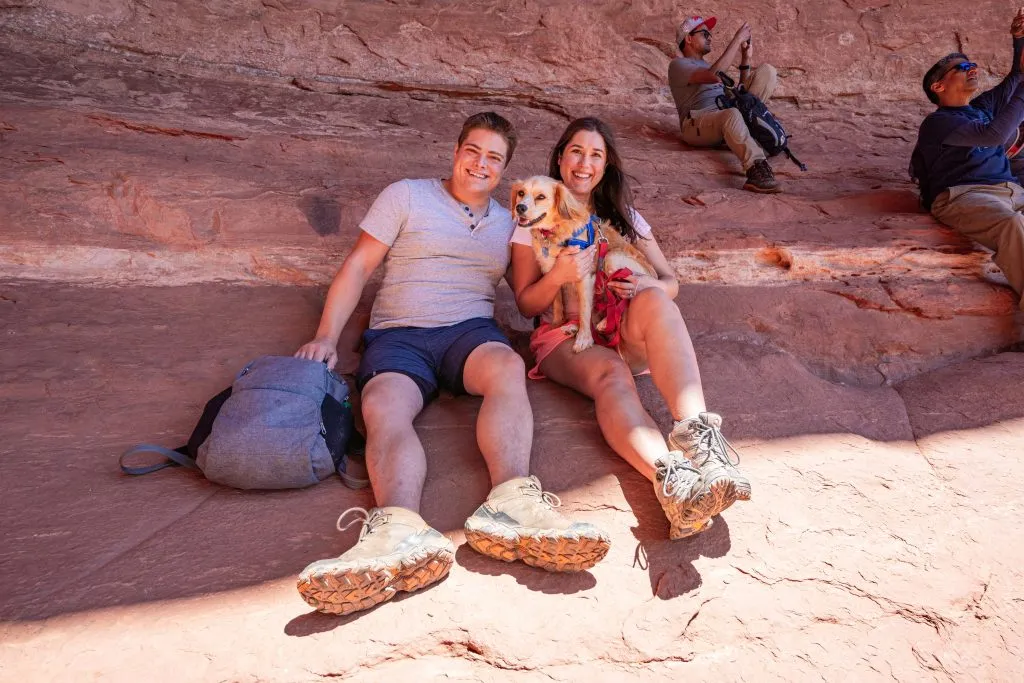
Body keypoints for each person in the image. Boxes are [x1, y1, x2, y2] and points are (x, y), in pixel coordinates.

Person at [293, 112, 610, 617]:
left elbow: (534, 291)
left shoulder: (515, 220)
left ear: (504, 171)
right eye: (473, 152)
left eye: (494, 159)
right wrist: (326, 338)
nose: (481, 165)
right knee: (381, 404)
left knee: (506, 368)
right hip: (402, 332)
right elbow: (357, 266)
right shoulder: (407, 196)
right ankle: (397, 530)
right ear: (456, 151)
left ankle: (512, 504)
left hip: (469, 332)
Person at [509, 117, 752, 541]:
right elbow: (525, 302)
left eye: (596, 155)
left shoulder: (626, 218)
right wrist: (559, 276)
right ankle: (675, 485)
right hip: (566, 335)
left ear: (606, 166)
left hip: (621, 324)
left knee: (655, 298)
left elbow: (671, 282)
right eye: (576, 152)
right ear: (561, 158)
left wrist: (648, 284)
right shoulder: (534, 214)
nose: (584, 163)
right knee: (612, 376)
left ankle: (702, 441)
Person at [910, 9, 1024, 310]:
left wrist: (1019, 38)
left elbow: (1017, 77)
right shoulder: (937, 123)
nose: (972, 68)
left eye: (972, 64)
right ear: (938, 87)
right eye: (962, 67)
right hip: (965, 195)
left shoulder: (981, 107)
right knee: (1012, 225)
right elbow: (993, 136)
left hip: (1011, 190)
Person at [669, 14, 781, 193]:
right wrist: (737, 40)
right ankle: (756, 168)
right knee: (731, 115)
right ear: (689, 38)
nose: (709, 37)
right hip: (698, 123)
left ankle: (746, 130)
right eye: (705, 34)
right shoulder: (678, 65)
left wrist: (745, 59)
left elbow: (739, 94)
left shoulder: (710, 65)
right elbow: (714, 76)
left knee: (767, 72)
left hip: (726, 115)